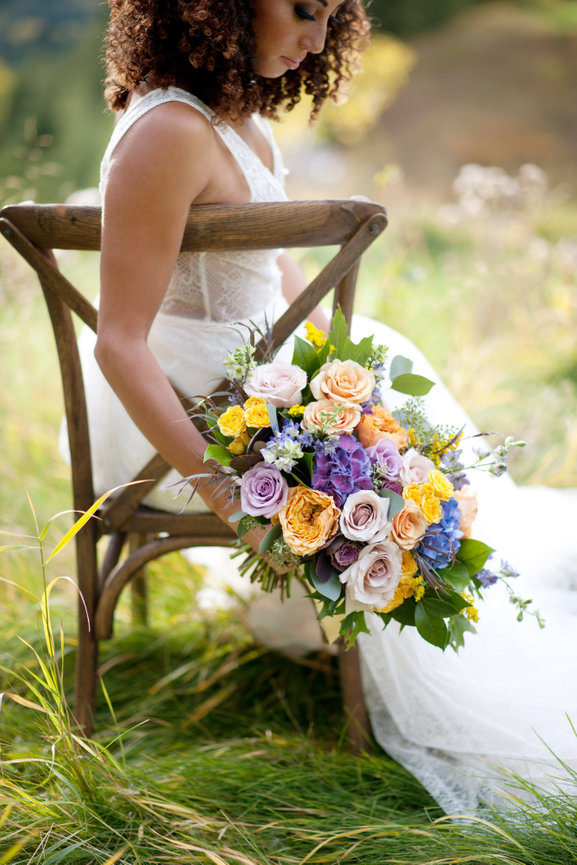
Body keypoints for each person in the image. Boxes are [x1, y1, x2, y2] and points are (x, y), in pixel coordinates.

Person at [75, 0, 577, 814]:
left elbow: (273, 281)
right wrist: (228, 494)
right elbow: (118, 343)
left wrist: (355, 392)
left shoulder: (239, 123)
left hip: (258, 403)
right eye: (303, 9)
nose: (316, 38)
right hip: (181, 433)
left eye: (333, 17)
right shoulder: (167, 132)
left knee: (387, 399)